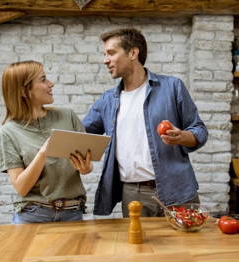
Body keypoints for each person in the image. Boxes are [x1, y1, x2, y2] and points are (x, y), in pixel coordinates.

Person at [83, 28, 208, 217]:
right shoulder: (107, 100)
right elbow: (80, 134)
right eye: (105, 54)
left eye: (111, 53)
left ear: (133, 53)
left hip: (178, 189)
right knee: (138, 247)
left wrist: (183, 137)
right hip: (133, 195)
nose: (105, 60)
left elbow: (199, 130)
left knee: (186, 246)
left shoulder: (172, 87)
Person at [0, 60, 92, 224]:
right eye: (43, 80)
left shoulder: (67, 116)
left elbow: (87, 166)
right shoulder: (9, 131)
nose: (51, 84)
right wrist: (43, 152)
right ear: (24, 91)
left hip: (72, 213)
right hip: (32, 215)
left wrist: (85, 168)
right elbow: (21, 187)